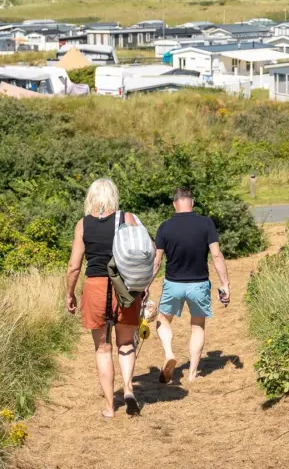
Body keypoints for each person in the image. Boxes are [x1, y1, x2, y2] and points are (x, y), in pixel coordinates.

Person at [66, 178, 144, 418]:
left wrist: (69, 293)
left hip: (96, 287)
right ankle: (129, 388)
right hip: (125, 287)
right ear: (114, 196)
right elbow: (141, 252)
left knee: (102, 348)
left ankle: (110, 407)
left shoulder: (83, 225)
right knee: (126, 343)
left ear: (90, 197)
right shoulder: (127, 218)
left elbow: (74, 266)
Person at [153, 188, 230, 384]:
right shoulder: (206, 223)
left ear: (174, 204)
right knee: (197, 326)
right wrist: (225, 284)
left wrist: (146, 284)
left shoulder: (164, 227)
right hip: (199, 284)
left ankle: (169, 352)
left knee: (163, 319)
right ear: (192, 203)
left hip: (173, 284)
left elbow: (157, 260)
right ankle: (192, 374)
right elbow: (217, 255)